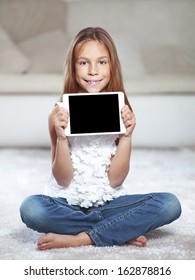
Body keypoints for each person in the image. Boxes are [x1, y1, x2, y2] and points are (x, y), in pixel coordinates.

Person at [20, 27, 181, 250]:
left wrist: (126, 137)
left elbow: (116, 180)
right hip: (67, 204)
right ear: (73, 67)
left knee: (169, 204)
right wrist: (62, 139)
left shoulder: (121, 110)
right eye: (84, 62)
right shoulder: (57, 115)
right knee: (31, 208)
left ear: (112, 65)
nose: (93, 70)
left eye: (102, 62)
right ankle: (119, 230)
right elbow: (62, 179)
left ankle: (81, 238)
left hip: (109, 204)